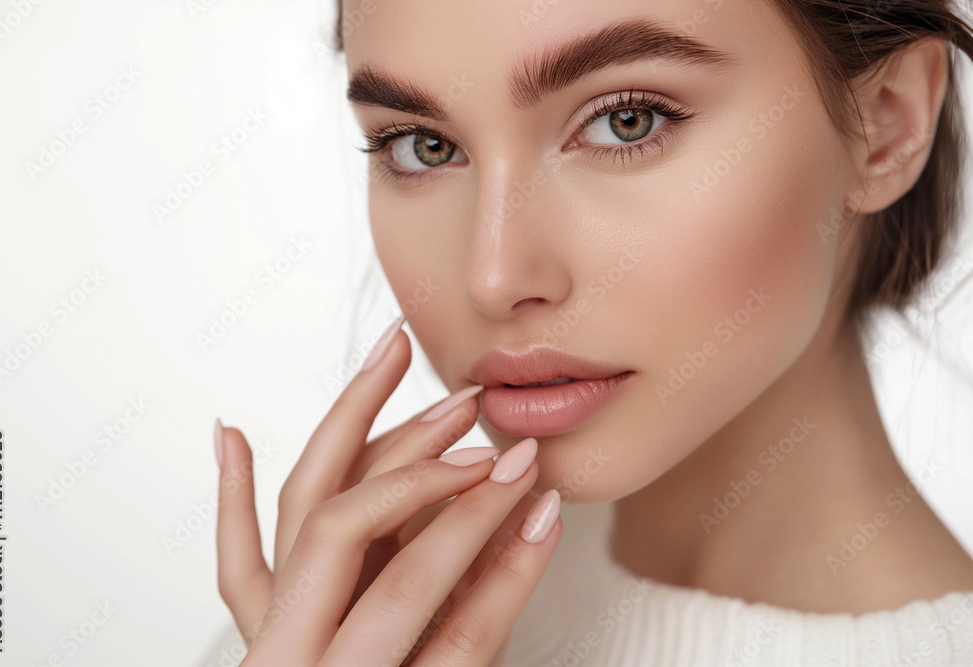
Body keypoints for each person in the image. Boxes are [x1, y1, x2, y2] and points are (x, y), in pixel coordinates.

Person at [213, 0, 973, 664]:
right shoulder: (347, 620)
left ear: (889, 121)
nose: (494, 276)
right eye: (422, 145)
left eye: (625, 120)